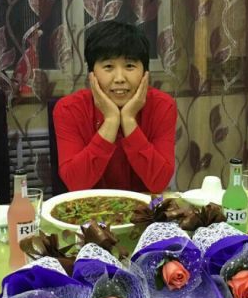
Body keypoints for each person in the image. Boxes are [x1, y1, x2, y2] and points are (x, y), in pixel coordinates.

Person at [53, 21, 176, 193]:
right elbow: (76, 184)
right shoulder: (68, 109)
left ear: (145, 73)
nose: (119, 78)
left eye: (130, 66)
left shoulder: (162, 105)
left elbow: (159, 183)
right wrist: (111, 120)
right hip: (91, 207)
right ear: (92, 74)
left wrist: (128, 120)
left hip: (146, 207)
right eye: (108, 67)